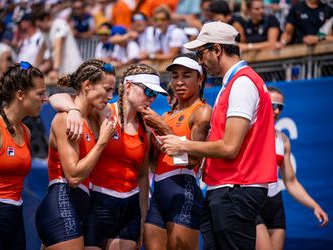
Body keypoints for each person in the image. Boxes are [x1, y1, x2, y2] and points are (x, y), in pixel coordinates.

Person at [158, 21, 277, 249]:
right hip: (229, 188)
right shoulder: (236, 81)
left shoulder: (242, 83)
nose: (200, 61)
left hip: (235, 188)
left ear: (217, 50)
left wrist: (183, 146)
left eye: (201, 53)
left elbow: (229, 147)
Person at [49, 63, 168, 249]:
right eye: (148, 91)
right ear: (128, 86)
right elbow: (57, 97)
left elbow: (143, 174)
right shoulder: (104, 112)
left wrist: (144, 216)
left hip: (130, 206)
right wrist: (73, 110)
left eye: (155, 94)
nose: (152, 98)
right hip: (99, 201)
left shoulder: (146, 126)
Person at [35, 59, 117, 249]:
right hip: (62, 203)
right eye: (107, 89)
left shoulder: (92, 117)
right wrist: (103, 141)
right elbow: (73, 176)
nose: (111, 96)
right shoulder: (67, 120)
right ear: (87, 85)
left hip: (77, 207)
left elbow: (59, 97)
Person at [0, 61, 47, 249]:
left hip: (14, 218)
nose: (45, 99)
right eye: (40, 93)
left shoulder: (26, 132)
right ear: (20, 95)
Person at [142, 53, 211, 249]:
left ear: (200, 79)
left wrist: (162, 128)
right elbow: (155, 163)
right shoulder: (166, 115)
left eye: (186, 76)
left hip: (184, 191)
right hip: (159, 192)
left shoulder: (202, 111)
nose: (179, 82)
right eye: (175, 76)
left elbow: (193, 160)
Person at [256, 86, 329, 250]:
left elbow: (291, 181)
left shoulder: (283, 140)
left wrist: (314, 206)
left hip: (275, 204)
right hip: (253, 201)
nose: (276, 111)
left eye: (280, 107)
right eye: (272, 105)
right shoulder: (248, 134)